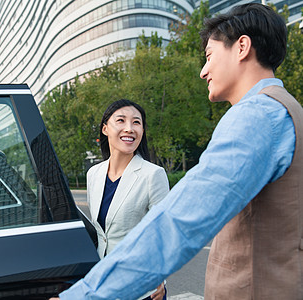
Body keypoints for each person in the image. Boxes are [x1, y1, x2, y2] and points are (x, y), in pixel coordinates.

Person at [53, 3, 302, 299]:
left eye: (209, 56)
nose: (203, 71)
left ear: (242, 47)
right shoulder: (288, 110)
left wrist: (83, 295)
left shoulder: (258, 115)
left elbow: (180, 222)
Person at [87, 99, 169, 300]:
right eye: (121, 121)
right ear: (105, 129)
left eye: (136, 122)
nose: (129, 128)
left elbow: (164, 233)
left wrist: (161, 278)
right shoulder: (93, 174)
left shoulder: (153, 175)